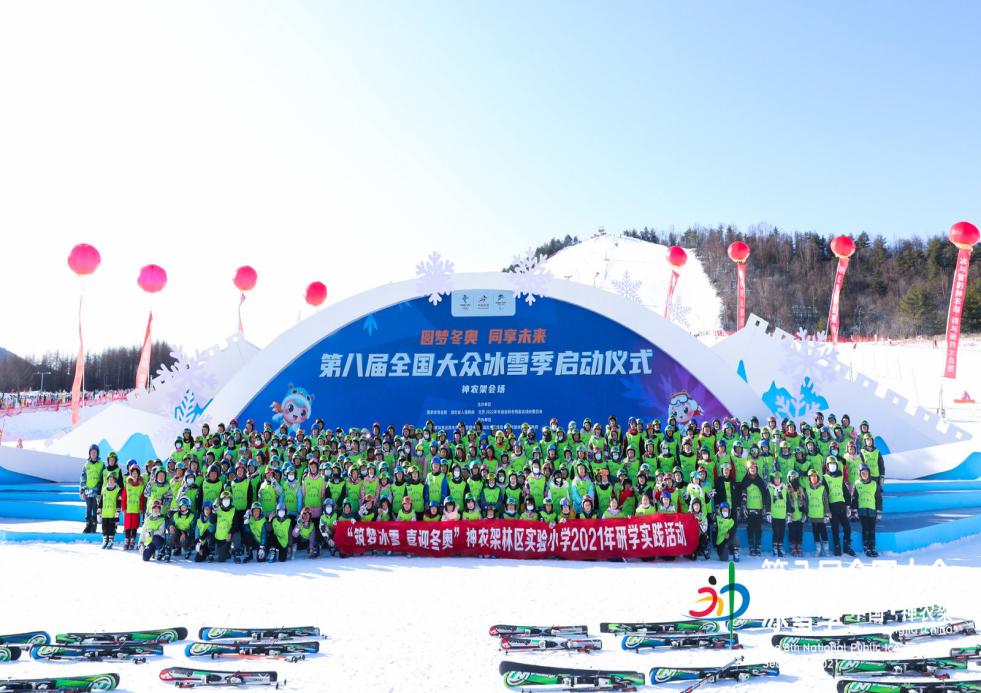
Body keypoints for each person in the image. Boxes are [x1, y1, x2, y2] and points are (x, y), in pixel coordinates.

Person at [824, 456, 855, 556]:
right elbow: (824, 495)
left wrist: (848, 505)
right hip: (832, 506)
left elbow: (845, 492)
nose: (832, 466)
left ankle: (847, 546)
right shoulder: (825, 478)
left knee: (847, 526)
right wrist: (826, 510)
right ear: (827, 466)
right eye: (830, 464)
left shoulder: (840, 477)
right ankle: (837, 546)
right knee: (835, 528)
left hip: (841, 505)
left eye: (834, 464)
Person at [851, 465, 882, 557]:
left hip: (872, 510)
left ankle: (873, 546)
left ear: (869, 473)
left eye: (866, 472)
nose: (864, 474)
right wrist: (855, 511)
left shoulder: (874, 484)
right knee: (865, 529)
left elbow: (878, 498)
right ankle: (866, 546)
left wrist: (879, 511)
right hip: (862, 510)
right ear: (860, 474)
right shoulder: (857, 484)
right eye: (862, 473)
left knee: (872, 529)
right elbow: (854, 498)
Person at [739, 460, 768, 557]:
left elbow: (764, 494)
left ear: (757, 469)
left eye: (754, 468)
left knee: (758, 528)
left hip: (758, 507)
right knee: (750, 528)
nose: (752, 469)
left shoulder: (760, 480)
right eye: (751, 468)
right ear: (748, 469)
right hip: (749, 508)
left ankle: (758, 546)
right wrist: (743, 506)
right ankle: (751, 546)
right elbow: (743, 493)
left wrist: (764, 506)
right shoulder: (745, 480)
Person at [804, 468, 831, 557]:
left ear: (818, 477)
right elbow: (806, 502)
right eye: (812, 477)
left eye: (815, 476)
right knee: (815, 532)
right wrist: (805, 514)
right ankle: (818, 549)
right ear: (809, 478)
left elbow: (826, 501)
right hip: (812, 515)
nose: (814, 478)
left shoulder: (822, 488)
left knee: (823, 532)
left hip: (821, 515)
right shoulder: (807, 488)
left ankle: (826, 550)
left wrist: (827, 514)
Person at [120, 462, 145, 551]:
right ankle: (126, 540)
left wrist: (141, 508)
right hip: (128, 509)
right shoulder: (127, 485)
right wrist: (124, 507)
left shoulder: (141, 486)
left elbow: (141, 498)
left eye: (136, 473)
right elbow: (124, 497)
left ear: (138, 474)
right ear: (131, 474)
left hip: (136, 509)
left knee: (134, 526)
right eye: (133, 473)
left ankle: (132, 541)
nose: (134, 475)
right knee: (127, 526)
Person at [79, 444, 104, 533]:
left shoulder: (101, 464)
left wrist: (100, 489)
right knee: (88, 508)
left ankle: (94, 525)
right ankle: (88, 525)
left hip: (96, 491)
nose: (93, 453)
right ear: (89, 453)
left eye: (95, 452)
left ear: (97, 453)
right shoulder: (86, 464)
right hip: (88, 491)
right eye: (92, 452)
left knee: (95, 508)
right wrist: (82, 490)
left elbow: (103, 477)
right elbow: (83, 477)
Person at [785, 470, 806, 557]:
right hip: (791, 515)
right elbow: (785, 502)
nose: (793, 479)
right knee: (792, 531)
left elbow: (804, 501)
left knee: (799, 531)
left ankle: (799, 547)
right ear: (789, 478)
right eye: (792, 478)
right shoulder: (786, 488)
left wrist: (804, 513)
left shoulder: (800, 488)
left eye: (795, 478)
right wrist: (787, 513)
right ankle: (793, 547)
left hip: (799, 514)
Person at [766, 471, 787, 557]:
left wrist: (789, 513)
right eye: (775, 479)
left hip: (782, 514)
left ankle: (780, 547)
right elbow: (768, 502)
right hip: (774, 514)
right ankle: (775, 548)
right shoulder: (770, 489)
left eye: (778, 479)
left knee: (782, 532)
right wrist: (768, 513)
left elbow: (788, 502)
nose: (777, 480)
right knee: (776, 532)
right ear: (772, 479)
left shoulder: (784, 488)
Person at [99, 474, 121, 549]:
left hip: (113, 513)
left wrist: (117, 511)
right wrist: (99, 510)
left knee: (111, 528)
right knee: (104, 527)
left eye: (112, 480)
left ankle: (111, 541)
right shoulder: (104, 489)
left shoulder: (117, 490)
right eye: (109, 479)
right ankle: (105, 540)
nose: (111, 481)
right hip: (105, 513)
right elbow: (101, 501)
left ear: (115, 481)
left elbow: (119, 501)